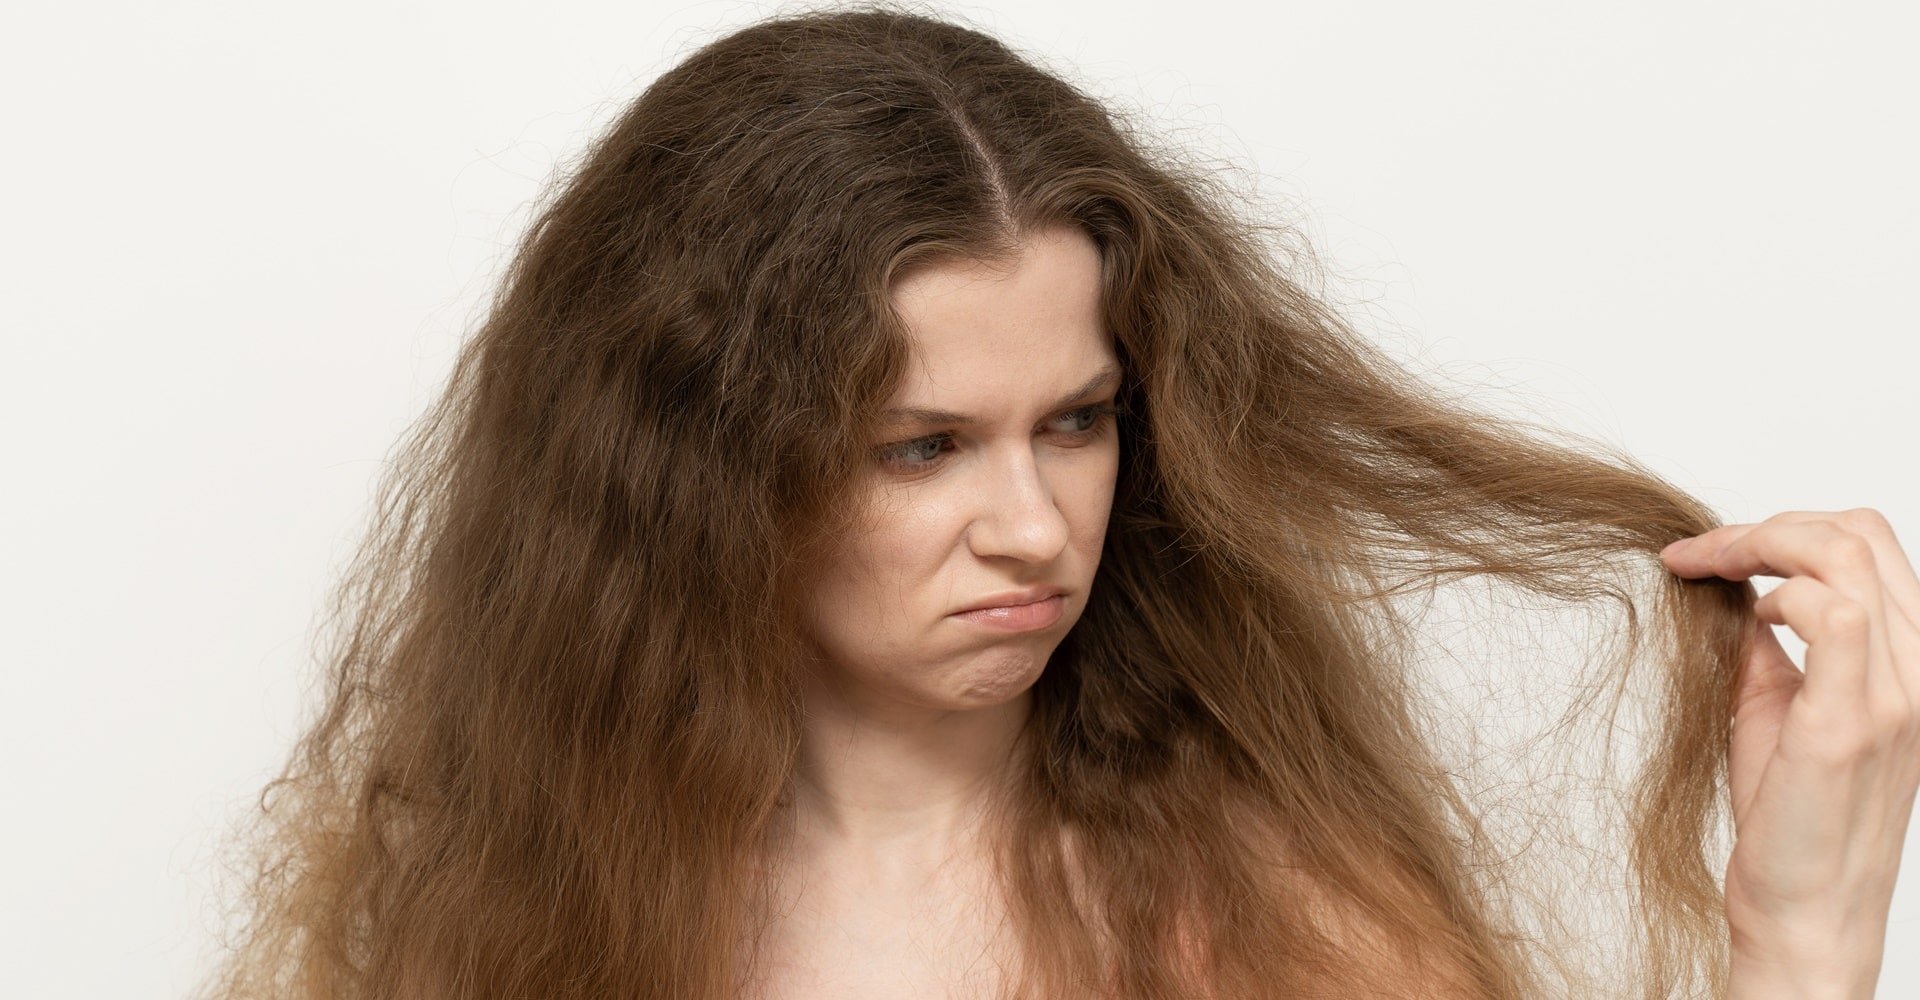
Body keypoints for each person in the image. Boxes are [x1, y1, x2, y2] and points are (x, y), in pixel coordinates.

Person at [193, 4, 1919, 998]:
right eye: (922, 446)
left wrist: (1804, 939)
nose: (1034, 528)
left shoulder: (1255, 911)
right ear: (690, 478)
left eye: (1079, 422)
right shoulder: (498, 908)